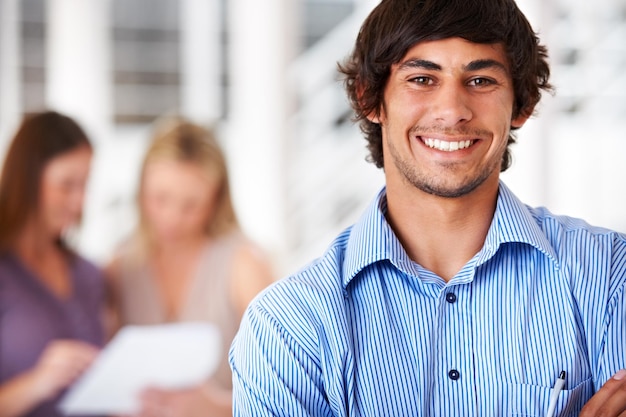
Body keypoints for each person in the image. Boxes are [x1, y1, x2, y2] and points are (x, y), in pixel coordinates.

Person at [229, 0, 626, 415]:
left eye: (480, 80)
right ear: (369, 98)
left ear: (522, 104)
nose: (452, 110)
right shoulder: (286, 328)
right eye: (421, 78)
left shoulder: (611, 276)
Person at [106, 118, 274, 417]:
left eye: (191, 205)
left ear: (215, 201)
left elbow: (286, 388)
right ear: (140, 190)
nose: (171, 217)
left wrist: (218, 407)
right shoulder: (119, 268)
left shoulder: (243, 265)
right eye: (160, 199)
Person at [0, 111, 104, 417]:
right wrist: (37, 383)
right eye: (66, 185)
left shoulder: (88, 275)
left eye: (84, 185)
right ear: (29, 179)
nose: (78, 202)